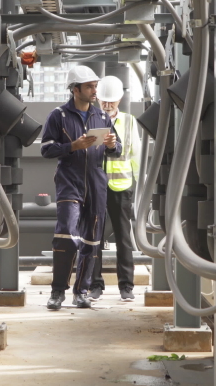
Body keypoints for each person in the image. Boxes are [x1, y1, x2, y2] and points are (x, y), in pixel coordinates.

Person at [40, 66, 121, 310]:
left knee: (92, 240)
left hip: (96, 184)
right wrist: (72, 146)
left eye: (95, 85)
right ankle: (57, 292)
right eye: (89, 86)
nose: (94, 90)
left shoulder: (102, 117)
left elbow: (116, 152)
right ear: (75, 90)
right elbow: (46, 149)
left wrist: (111, 144)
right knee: (65, 235)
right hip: (69, 182)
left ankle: (81, 292)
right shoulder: (58, 116)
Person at [89, 75, 141, 302]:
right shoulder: (89, 119)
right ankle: (95, 286)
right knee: (94, 238)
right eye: (103, 100)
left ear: (120, 99)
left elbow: (136, 154)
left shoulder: (129, 122)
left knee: (123, 238)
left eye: (111, 101)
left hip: (122, 186)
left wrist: (141, 187)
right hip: (96, 187)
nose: (107, 105)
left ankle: (126, 287)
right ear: (97, 98)